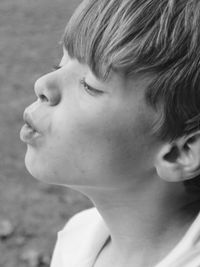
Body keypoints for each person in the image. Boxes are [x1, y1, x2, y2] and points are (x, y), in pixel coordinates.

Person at [19, 0, 200, 266]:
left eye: (90, 85)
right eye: (60, 65)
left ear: (179, 152)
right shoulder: (78, 238)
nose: (42, 84)